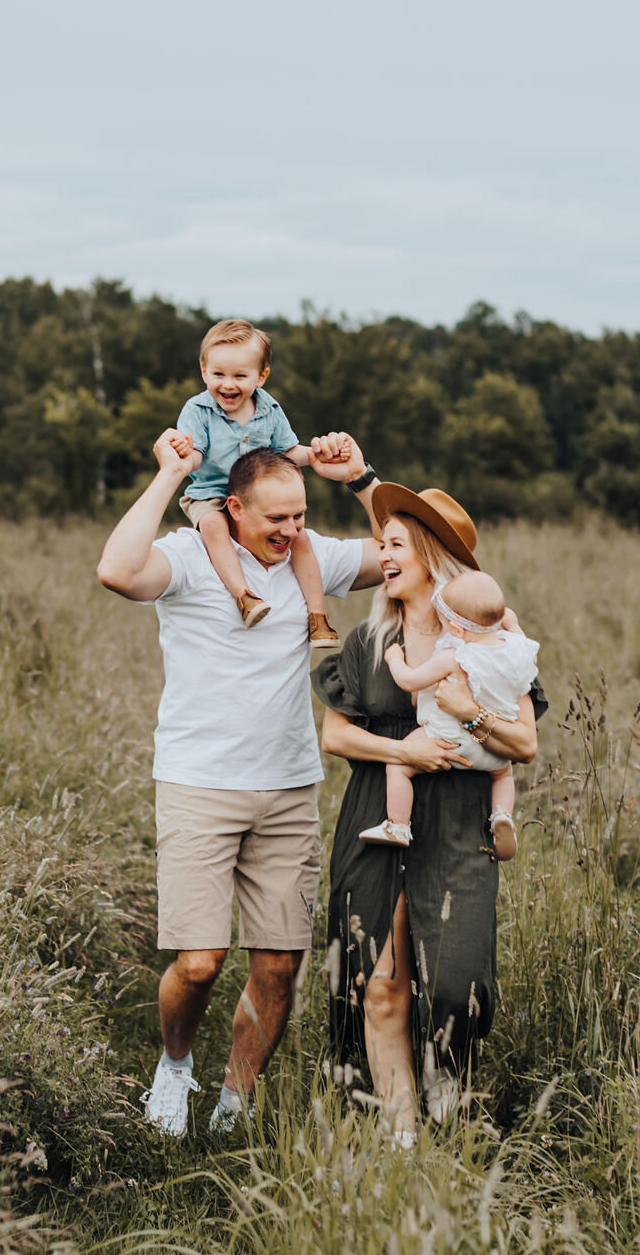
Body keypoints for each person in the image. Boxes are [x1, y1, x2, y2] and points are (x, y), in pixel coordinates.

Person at [96, 432, 384, 1138]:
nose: (291, 531)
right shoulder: (194, 556)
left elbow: (415, 555)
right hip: (198, 783)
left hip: (287, 789)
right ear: (233, 507)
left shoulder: (311, 556)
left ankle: (235, 1100)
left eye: (300, 516)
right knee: (198, 962)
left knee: (280, 964)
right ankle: (174, 1067)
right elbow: (115, 570)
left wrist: (363, 481)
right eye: (275, 520)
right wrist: (169, 476)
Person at [311, 481, 544, 1143]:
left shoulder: (493, 635)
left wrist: (472, 712)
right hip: (378, 810)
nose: (381, 556)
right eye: (380, 545)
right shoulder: (366, 640)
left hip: (461, 819)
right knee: (379, 983)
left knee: (455, 986)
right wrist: (400, 746)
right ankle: (403, 1134)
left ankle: (449, 1098)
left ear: (433, 555)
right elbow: (335, 737)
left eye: (395, 545)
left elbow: (525, 744)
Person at [169, 318, 346, 647]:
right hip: (212, 495)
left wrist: (318, 454)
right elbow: (196, 454)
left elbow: (288, 452)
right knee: (212, 526)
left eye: (240, 376)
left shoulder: (270, 409)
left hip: (258, 500)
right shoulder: (197, 409)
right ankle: (245, 597)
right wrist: (183, 457)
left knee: (301, 538)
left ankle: (318, 618)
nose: (228, 385)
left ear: (261, 376)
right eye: (218, 374)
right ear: (204, 370)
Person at [359, 570, 540, 862]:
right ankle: (502, 815)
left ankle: (398, 825)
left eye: (444, 623)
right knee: (504, 774)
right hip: (494, 745)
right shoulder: (520, 650)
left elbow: (409, 681)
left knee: (397, 767)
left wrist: (395, 659)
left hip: (449, 739)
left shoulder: (455, 657)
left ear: (456, 630)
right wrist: (510, 620)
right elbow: (514, 625)